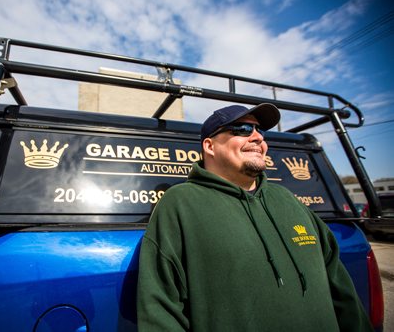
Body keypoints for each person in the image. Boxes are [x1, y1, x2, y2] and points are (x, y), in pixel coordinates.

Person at [137, 103, 373, 331]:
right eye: (243, 129)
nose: (258, 137)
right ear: (210, 146)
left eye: (260, 130)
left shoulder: (287, 199)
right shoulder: (180, 203)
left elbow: (340, 287)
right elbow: (160, 307)